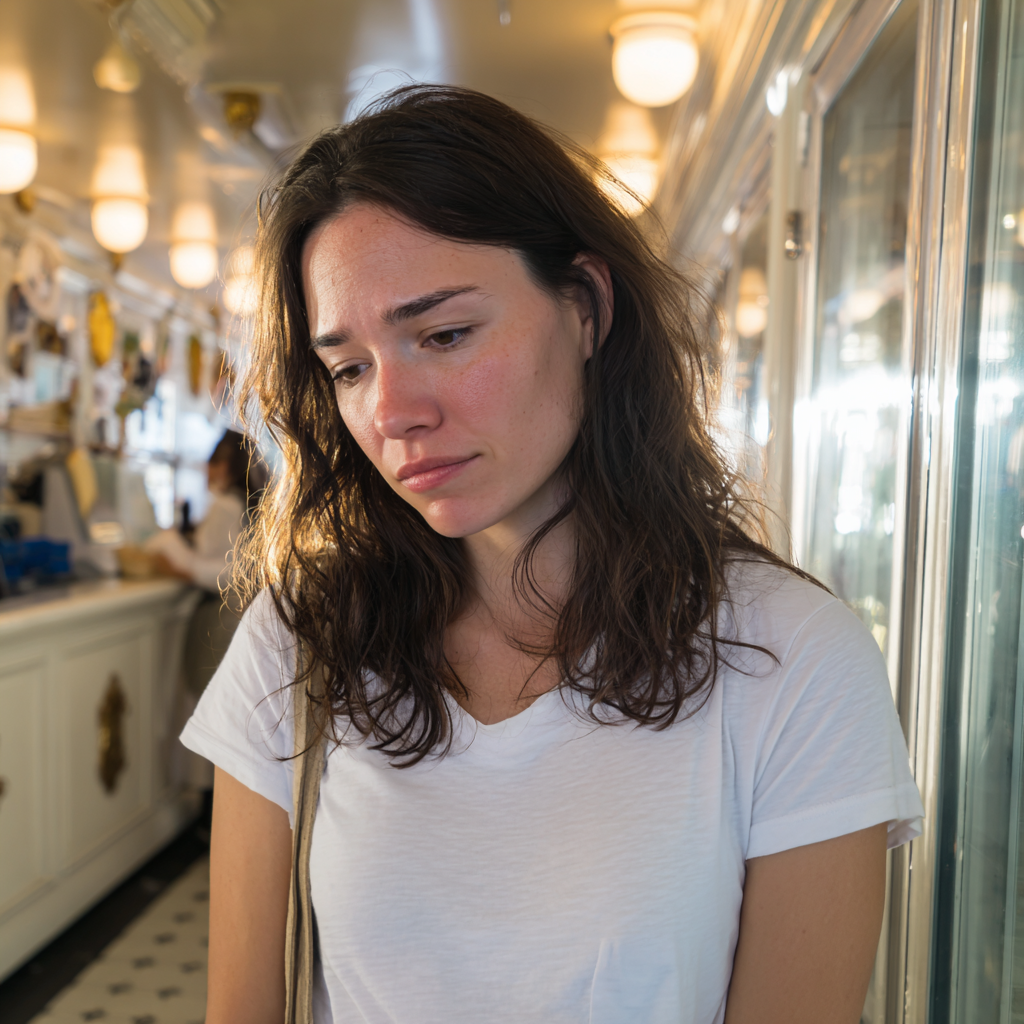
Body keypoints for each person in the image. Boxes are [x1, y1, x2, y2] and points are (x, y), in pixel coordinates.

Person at [180, 86, 923, 1024]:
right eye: (349, 368)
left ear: (585, 308)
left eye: (444, 334)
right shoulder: (300, 640)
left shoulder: (790, 658)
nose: (392, 410)